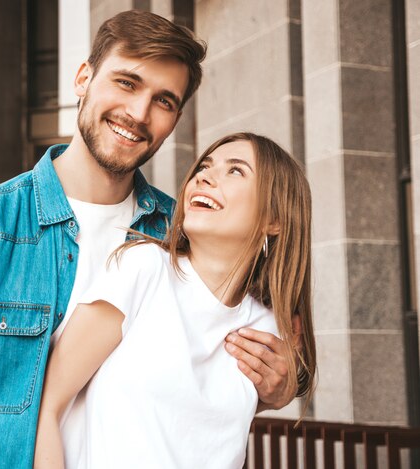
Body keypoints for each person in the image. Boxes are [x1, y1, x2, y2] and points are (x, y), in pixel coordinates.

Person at [0, 10, 298, 469]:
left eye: (163, 101)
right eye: (126, 82)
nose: (139, 113)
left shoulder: (184, 233)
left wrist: (284, 388)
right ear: (83, 78)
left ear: (176, 118)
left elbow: (211, 375)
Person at [34, 132, 316, 468]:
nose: (203, 176)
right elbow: (48, 405)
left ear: (275, 220)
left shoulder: (265, 328)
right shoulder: (143, 269)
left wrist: (283, 392)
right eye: (205, 166)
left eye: (235, 170)